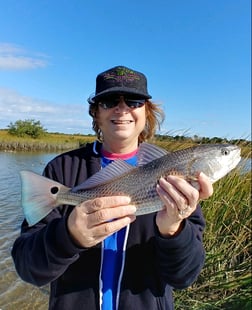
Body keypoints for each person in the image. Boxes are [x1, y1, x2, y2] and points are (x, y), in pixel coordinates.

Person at [12, 65, 213, 310]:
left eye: (134, 100)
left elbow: (184, 277)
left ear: (147, 112)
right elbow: (27, 268)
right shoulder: (61, 169)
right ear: (95, 112)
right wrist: (69, 236)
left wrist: (172, 229)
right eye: (108, 101)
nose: (122, 108)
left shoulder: (177, 179)